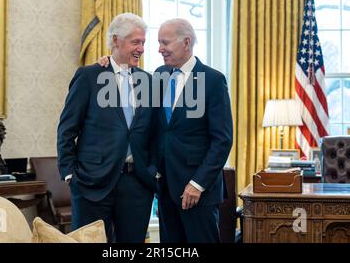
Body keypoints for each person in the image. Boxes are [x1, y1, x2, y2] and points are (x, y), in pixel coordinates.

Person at [57, 13, 158, 243]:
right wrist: (70, 174)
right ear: (115, 41)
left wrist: (153, 170)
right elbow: (66, 129)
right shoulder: (89, 76)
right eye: (136, 42)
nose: (141, 48)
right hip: (91, 183)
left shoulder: (148, 80)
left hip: (137, 185)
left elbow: (154, 131)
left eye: (143, 42)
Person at [154, 18, 233, 243]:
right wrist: (108, 61)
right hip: (166, 190)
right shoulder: (159, 75)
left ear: (186, 42)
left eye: (165, 43)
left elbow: (222, 140)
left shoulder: (213, 80)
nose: (160, 49)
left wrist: (197, 184)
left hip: (198, 192)